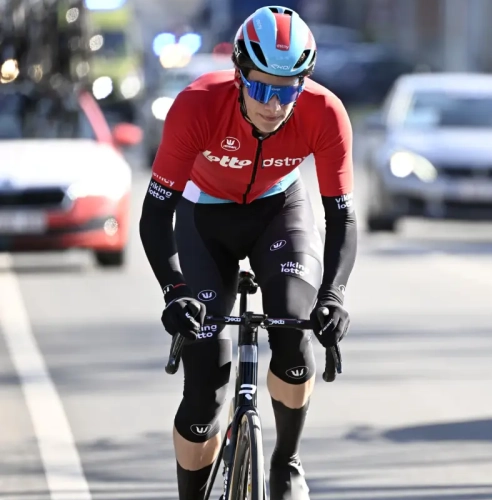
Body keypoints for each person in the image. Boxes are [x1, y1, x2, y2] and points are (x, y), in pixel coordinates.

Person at [138, 6, 357, 500]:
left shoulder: (326, 113)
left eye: (288, 90)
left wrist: (335, 295)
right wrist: (175, 292)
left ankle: (286, 459)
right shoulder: (196, 106)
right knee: (204, 388)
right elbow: (156, 215)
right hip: (203, 216)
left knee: (293, 333)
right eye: (261, 88)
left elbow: (341, 215)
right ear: (239, 76)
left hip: (279, 210)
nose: (274, 105)